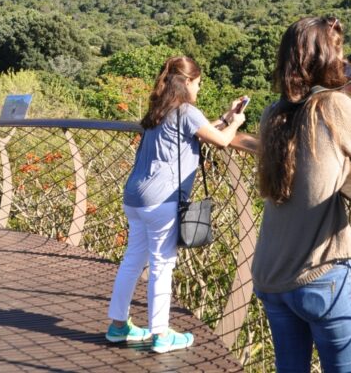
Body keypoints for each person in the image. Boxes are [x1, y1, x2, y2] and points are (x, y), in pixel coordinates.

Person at [251, 16, 351, 373]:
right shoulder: (333, 108)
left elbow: (311, 110)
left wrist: (343, 92)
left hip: (271, 271)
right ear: (328, 58)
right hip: (318, 273)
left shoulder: (273, 113)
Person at [105, 56, 248, 354]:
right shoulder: (187, 110)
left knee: (133, 260)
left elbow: (202, 130)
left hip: (135, 196)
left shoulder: (159, 110)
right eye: (197, 82)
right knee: (162, 264)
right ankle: (160, 334)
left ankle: (118, 326)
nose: (199, 88)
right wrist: (235, 123)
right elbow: (221, 140)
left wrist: (225, 117)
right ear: (186, 82)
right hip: (162, 200)